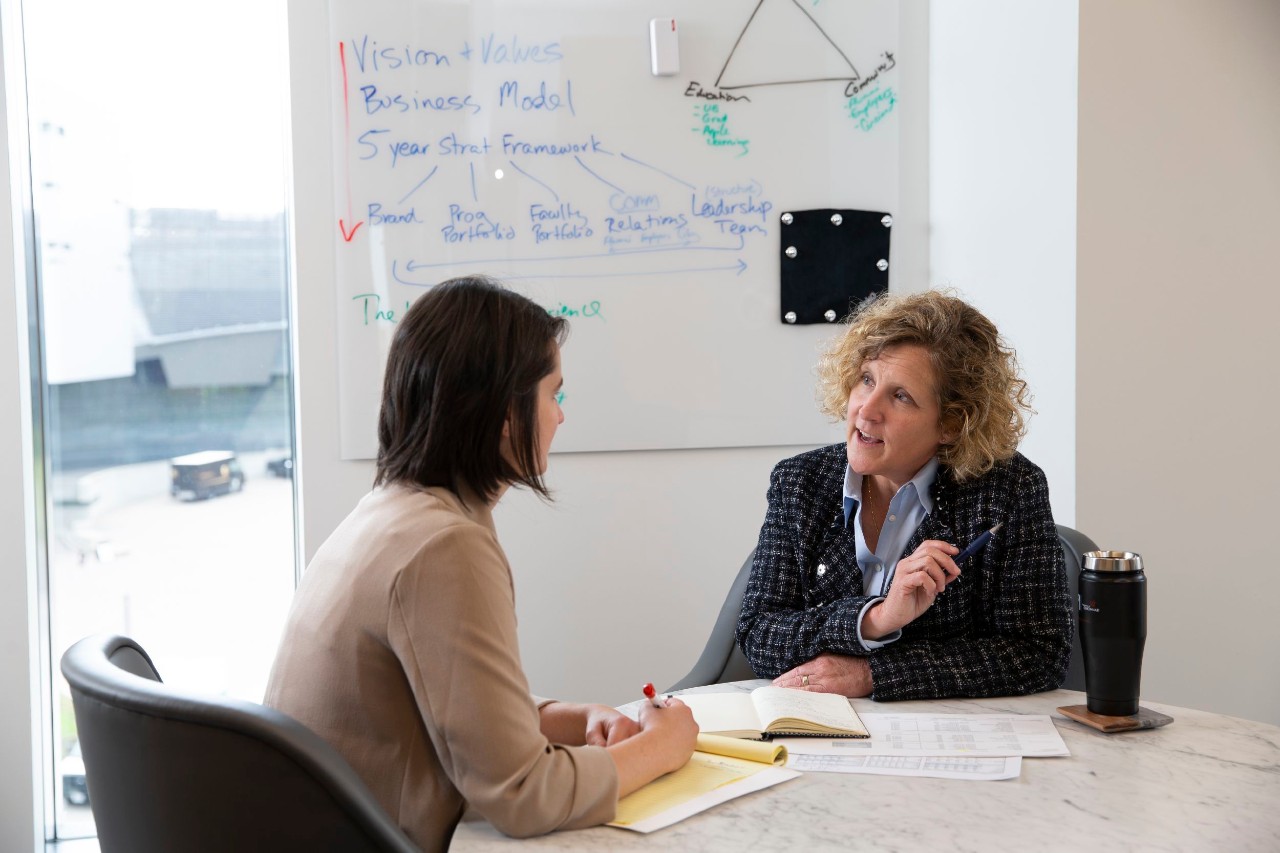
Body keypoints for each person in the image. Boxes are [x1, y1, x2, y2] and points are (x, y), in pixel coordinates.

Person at [264, 276, 697, 851]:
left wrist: (572, 718)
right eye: (552, 395)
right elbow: (522, 794)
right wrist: (660, 749)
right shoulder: (443, 547)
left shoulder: (391, 512)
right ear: (502, 414)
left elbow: (445, 708)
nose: (559, 418)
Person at [735, 289, 1071, 700]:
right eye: (866, 380)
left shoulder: (1008, 490)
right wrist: (873, 619)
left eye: (901, 396)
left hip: (949, 743)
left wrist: (875, 674)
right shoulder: (800, 482)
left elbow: (1038, 654)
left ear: (951, 424)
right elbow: (759, 633)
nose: (866, 410)